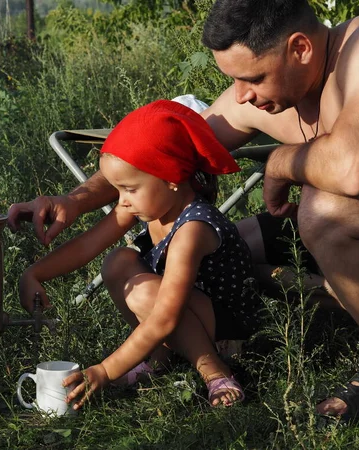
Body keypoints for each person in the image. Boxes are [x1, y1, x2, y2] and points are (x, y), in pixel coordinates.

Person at [8, 1, 359, 422]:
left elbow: (356, 167)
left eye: (253, 78)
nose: (241, 96)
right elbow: (160, 160)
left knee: (323, 208)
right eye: (234, 80)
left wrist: (280, 162)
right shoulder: (261, 96)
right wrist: (75, 200)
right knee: (230, 243)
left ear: (300, 48)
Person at [19, 99, 262, 410]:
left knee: (145, 294)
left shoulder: (193, 229)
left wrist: (105, 370)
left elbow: (164, 316)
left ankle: (215, 371)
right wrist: (35, 273)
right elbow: (86, 245)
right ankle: (158, 359)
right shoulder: (152, 204)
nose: (122, 200)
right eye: (118, 189)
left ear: (171, 179)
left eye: (130, 189)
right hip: (188, 314)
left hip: (229, 332)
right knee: (117, 261)